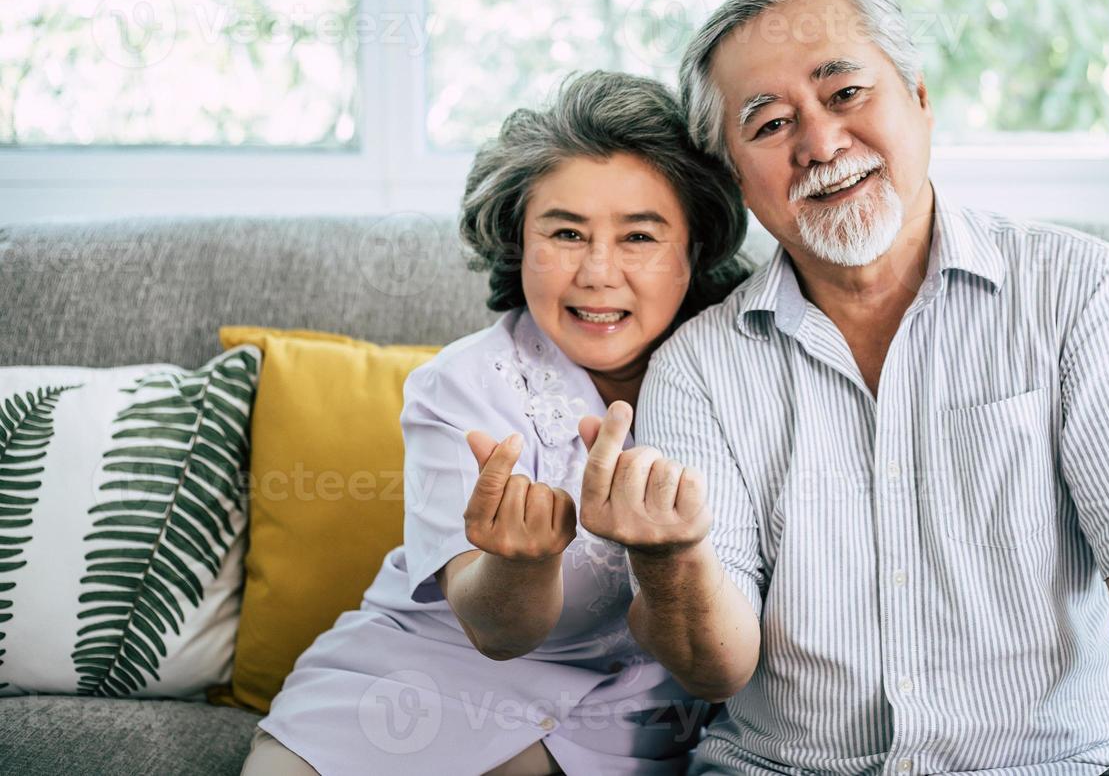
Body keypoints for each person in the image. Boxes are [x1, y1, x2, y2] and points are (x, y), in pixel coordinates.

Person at [592, 0, 1109, 776]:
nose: (820, 144)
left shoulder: (1083, 291)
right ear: (735, 175)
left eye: (845, 94)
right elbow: (714, 668)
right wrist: (668, 563)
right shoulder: (698, 366)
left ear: (919, 97)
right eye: (768, 125)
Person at [239, 70, 750, 776]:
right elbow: (494, 629)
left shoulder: (741, 377)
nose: (598, 273)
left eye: (639, 237)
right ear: (517, 241)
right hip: (431, 675)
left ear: (694, 250)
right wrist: (522, 562)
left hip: (626, 716)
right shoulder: (461, 385)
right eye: (566, 233)